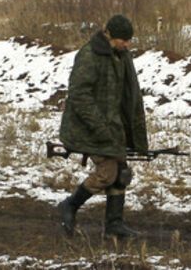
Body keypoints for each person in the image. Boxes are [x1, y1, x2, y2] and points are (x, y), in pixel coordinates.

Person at [57, 14, 149, 239]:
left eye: (129, 40)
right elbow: (79, 96)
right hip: (87, 127)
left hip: (112, 126)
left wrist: (130, 130)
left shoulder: (121, 56)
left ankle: (114, 226)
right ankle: (69, 205)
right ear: (110, 35)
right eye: (123, 40)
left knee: (121, 174)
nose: (127, 45)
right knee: (108, 173)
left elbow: (128, 95)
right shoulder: (89, 55)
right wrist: (100, 127)